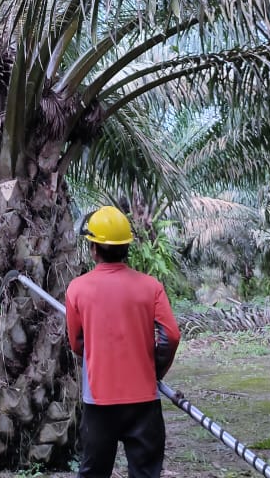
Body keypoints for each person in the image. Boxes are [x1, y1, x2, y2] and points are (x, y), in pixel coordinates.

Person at [65, 205, 182, 478]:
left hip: (98, 401)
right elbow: (171, 336)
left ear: (93, 248)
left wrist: (98, 354)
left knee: (94, 472)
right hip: (143, 401)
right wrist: (154, 370)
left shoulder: (77, 289)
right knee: (145, 473)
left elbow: (77, 343)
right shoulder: (151, 286)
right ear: (126, 247)